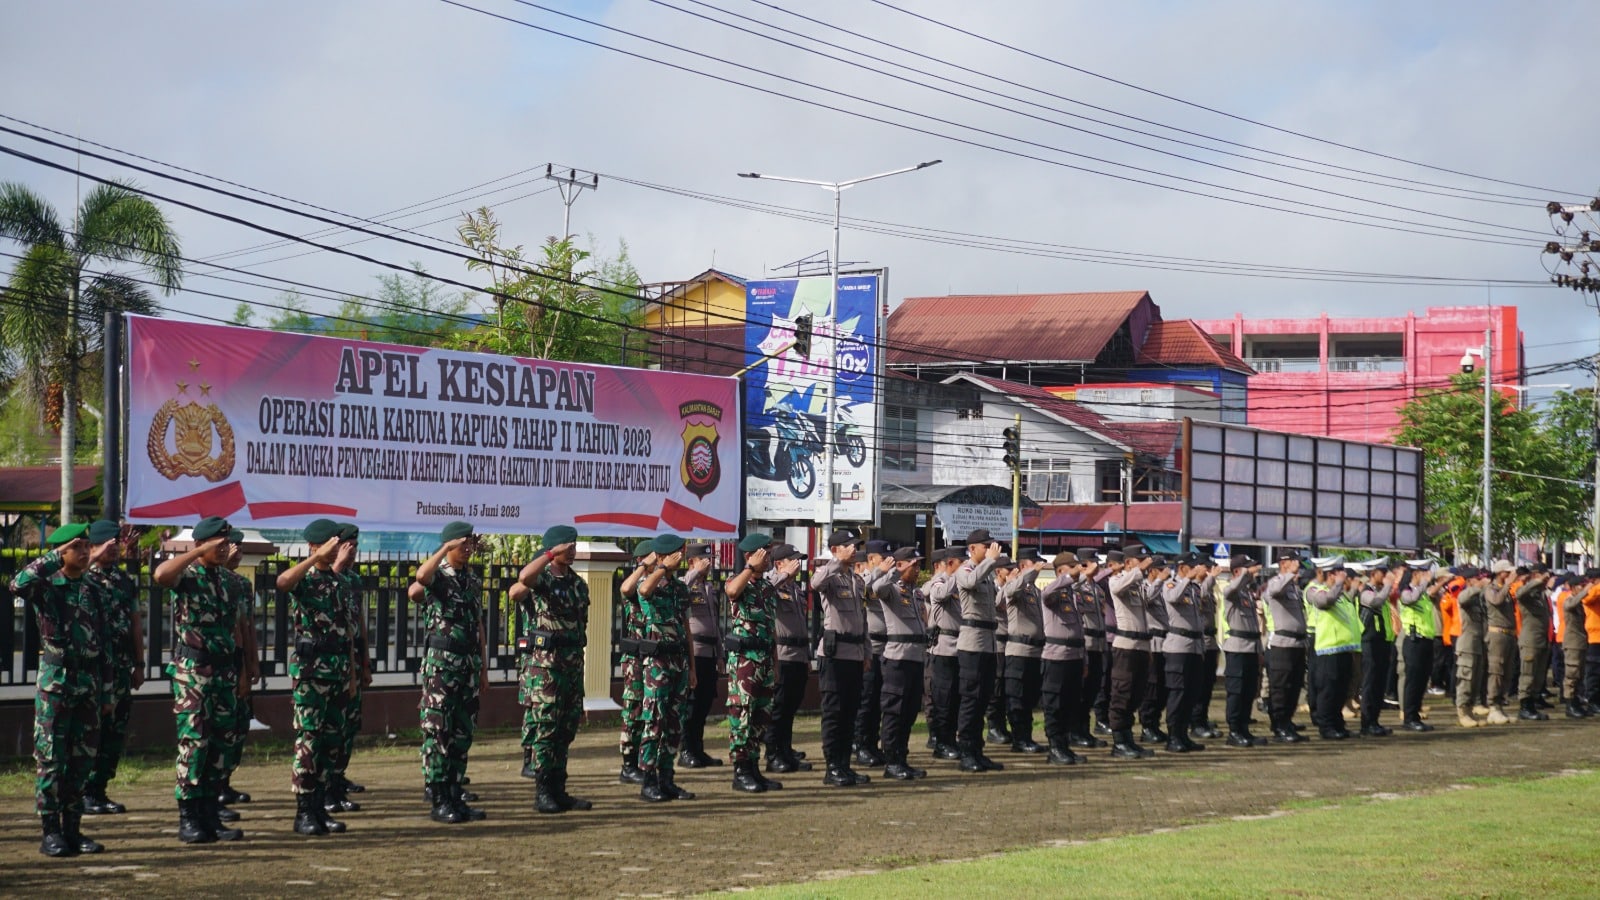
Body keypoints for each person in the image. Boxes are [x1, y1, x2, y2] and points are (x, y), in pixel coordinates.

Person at [14, 523, 111, 857]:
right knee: (52, 760)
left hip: (89, 683)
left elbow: (104, 640)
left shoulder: (93, 588)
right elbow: (17, 583)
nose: (85, 552)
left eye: (86, 546)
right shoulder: (46, 586)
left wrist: (107, 690)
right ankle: (51, 832)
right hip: (57, 682)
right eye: (77, 547)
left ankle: (73, 829)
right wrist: (53, 557)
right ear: (61, 552)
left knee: (82, 761)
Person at [153, 516, 244, 844]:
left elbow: (236, 627)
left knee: (220, 745)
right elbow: (160, 575)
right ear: (200, 544)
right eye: (217, 544)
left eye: (226, 543)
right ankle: (188, 817)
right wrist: (196, 552)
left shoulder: (230, 581)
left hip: (223, 673)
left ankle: (210, 814)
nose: (224, 548)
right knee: (195, 743)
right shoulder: (187, 575)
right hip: (193, 673)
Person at [276, 519, 355, 836]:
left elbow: (347, 633)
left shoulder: (340, 583)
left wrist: (351, 676)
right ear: (314, 546)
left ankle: (320, 807)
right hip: (311, 674)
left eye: (336, 543)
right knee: (309, 741)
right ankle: (304, 811)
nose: (335, 548)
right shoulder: (305, 579)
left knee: (331, 743)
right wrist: (314, 558)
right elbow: (283, 582)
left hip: (338, 672)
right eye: (329, 544)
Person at [413, 521, 489, 824]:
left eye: (470, 543)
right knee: (438, 732)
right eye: (462, 544)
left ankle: (456, 796)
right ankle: (439, 798)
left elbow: (478, 625)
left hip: (467, 666)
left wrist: (483, 668)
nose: (468, 549)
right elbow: (421, 577)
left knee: (462, 733)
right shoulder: (438, 577)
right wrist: (444, 547)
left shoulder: (472, 581)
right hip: (442, 668)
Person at [517, 524, 592, 813]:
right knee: (546, 729)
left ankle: (559, 790)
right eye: (567, 547)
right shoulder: (543, 580)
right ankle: (543, 791)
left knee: (566, 729)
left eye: (574, 546)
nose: (572, 551)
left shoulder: (578, 585)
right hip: (547, 668)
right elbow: (524, 578)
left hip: (572, 665)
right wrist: (548, 555)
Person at [82, 520, 143, 818]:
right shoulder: (82, 577)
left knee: (115, 730)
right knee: (90, 730)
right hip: (92, 668)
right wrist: (92, 557)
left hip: (119, 667)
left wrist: (139, 663)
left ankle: (98, 790)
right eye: (108, 543)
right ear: (93, 545)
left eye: (117, 543)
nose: (115, 548)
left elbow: (135, 622)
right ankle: (81, 791)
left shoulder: (124, 581)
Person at [636, 533, 697, 801]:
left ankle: (667, 778)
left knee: (674, 723)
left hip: (679, 661)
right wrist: (660, 567)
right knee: (654, 722)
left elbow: (686, 629)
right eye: (674, 553)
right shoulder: (649, 582)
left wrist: (692, 667)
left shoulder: (680, 589)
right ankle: (648, 780)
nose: (679, 557)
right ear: (662, 556)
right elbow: (643, 591)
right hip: (657, 664)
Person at [722, 534, 784, 792]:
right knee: (743, 714)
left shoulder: (766, 587)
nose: (768, 558)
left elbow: (771, 627)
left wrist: (775, 663)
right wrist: (749, 568)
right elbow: (732, 592)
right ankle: (741, 771)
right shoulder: (738, 581)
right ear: (750, 555)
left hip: (765, 659)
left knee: (761, 716)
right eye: (764, 553)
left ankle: (754, 767)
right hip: (745, 662)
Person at [812, 528, 873, 786]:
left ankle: (845, 765)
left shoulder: (856, 580)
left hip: (855, 653)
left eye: (855, 545)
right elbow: (815, 584)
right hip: (834, 655)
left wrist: (867, 652)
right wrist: (836, 561)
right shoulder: (828, 574)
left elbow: (863, 619)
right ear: (835, 550)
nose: (854, 549)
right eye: (849, 546)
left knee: (850, 713)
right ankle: (832, 767)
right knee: (834, 713)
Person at [867, 546, 930, 780]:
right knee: (895, 711)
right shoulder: (892, 589)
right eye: (914, 565)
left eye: (918, 565)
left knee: (910, 712)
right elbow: (876, 588)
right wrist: (894, 571)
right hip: (897, 659)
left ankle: (902, 758)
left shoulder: (916, 593)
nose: (917, 569)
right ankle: (892, 761)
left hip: (916, 657)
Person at [216, 530, 263, 824]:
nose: (236, 551)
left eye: (239, 547)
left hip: (238, 659)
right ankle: (215, 787)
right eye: (230, 545)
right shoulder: (210, 581)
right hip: (217, 662)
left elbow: (246, 625)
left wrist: (251, 662)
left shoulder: (241, 584)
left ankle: (225, 781)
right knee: (219, 728)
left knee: (238, 725)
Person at [955, 529, 1006, 772]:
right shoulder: (965, 570)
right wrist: (990, 562)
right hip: (972, 643)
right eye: (986, 546)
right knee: (971, 699)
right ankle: (966, 751)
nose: (990, 550)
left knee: (984, 698)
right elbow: (969, 582)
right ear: (972, 548)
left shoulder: (986, 575)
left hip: (988, 642)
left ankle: (977, 750)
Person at [328, 523, 369, 808]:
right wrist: (338, 566)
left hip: (351, 658)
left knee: (349, 722)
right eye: (347, 546)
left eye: (355, 546)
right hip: (327, 660)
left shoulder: (353, 580)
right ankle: (327, 782)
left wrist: (365, 662)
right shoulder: (319, 577)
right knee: (330, 726)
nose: (352, 551)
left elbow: (359, 620)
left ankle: (338, 775)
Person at [764, 543, 813, 774]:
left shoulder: (795, 589)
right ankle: (773, 754)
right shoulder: (771, 582)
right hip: (782, 656)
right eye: (792, 560)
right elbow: (762, 593)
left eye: (798, 560)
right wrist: (783, 576)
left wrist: (807, 658)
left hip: (798, 655)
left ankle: (786, 751)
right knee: (778, 708)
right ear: (778, 564)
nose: (797, 564)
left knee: (791, 708)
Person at [1159, 554, 1215, 752]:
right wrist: (1187, 579)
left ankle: (1183, 734)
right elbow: (1172, 598)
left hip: (1195, 646)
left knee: (1192, 692)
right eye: (1191, 566)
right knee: (1178, 693)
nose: (1195, 569)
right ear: (1182, 567)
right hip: (1178, 647)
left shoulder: (1194, 588)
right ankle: (1173, 736)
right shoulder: (1171, 584)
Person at [1106, 547, 1156, 759]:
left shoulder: (1138, 584)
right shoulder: (1117, 580)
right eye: (1140, 560)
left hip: (1141, 646)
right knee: (1122, 693)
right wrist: (1138, 570)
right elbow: (1117, 589)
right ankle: (1119, 742)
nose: (1145, 563)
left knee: (1136, 695)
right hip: (1125, 647)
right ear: (1128, 563)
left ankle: (1128, 739)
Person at [614, 539, 656, 784]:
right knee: (634, 708)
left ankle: (643, 760)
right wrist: (642, 566)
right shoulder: (637, 584)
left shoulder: (657, 585)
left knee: (650, 710)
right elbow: (626, 588)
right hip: (636, 660)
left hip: (655, 658)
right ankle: (628, 764)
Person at [1039, 551, 1087, 765]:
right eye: (1072, 567)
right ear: (1060, 571)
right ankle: (1055, 747)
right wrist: (1068, 577)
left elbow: (1079, 630)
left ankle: (1065, 745)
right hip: (1056, 657)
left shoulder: (1073, 594)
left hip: (1075, 655)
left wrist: (1084, 659)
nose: (1077, 571)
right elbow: (1046, 594)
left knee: (1070, 703)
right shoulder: (1054, 591)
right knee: (1055, 704)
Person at [1000, 548, 1047, 753]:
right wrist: (1027, 574)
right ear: (1022, 566)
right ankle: (1019, 739)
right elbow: (1009, 592)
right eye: (1033, 564)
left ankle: (1026, 737)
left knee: (1029, 697)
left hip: (1035, 651)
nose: (1038, 567)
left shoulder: (1034, 590)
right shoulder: (1014, 585)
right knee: (1017, 697)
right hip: (1018, 651)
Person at [680, 542, 722, 769]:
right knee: (691, 705)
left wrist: (720, 654)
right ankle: (686, 750)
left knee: (704, 704)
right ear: (691, 562)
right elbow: (680, 590)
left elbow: (715, 624)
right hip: (694, 652)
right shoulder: (684, 583)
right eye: (703, 560)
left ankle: (698, 748)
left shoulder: (709, 588)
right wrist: (695, 573)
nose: (708, 564)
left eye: (710, 560)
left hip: (710, 652)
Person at [1218, 554, 1267, 747]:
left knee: (1248, 691)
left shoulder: (1247, 593)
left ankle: (1244, 728)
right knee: (1236, 691)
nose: (1253, 572)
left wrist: (1259, 650)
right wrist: (1246, 573)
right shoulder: (1232, 590)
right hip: (1237, 647)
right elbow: (1231, 590)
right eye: (1247, 568)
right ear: (1237, 571)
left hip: (1251, 647)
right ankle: (1234, 731)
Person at [1306, 561, 1358, 740]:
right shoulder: (1317, 591)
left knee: (1340, 690)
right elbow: (1324, 602)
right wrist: (1338, 584)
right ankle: (1326, 727)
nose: (1344, 576)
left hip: (1343, 648)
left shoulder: (1340, 595)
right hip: (1328, 649)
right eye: (1339, 573)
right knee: (1328, 690)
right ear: (1330, 575)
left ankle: (1338, 724)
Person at [1262, 551, 1310, 743]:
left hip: (1297, 643)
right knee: (1281, 688)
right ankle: (1279, 725)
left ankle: (1287, 722)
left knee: (1294, 686)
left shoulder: (1293, 587)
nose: (1298, 566)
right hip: (1282, 644)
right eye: (1294, 562)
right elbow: (1274, 592)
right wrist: (1290, 574)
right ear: (1284, 564)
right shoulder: (1276, 582)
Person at [923, 547, 963, 761]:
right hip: (942, 648)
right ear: (950, 564)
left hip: (959, 647)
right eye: (961, 563)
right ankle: (941, 742)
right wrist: (956, 576)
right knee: (942, 699)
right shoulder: (939, 583)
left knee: (955, 698)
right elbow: (937, 593)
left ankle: (951, 740)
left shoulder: (957, 585)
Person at [855, 539, 891, 768]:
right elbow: (861, 587)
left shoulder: (885, 578)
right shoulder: (863, 577)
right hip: (869, 648)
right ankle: (860, 745)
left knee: (878, 701)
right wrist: (879, 572)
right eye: (883, 558)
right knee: (866, 701)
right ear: (871, 559)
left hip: (886, 648)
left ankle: (871, 744)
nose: (887, 562)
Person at [1398, 561, 1445, 733]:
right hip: (1414, 641)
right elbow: (1410, 599)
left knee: (1421, 681)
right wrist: (1424, 582)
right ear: (1415, 574)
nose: (1427, 576)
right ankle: (1409, 718)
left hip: (1426, 640)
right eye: (1423, 573)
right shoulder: (1407, 591)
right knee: (1413, 681)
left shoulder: (1422, 593)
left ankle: (1415, 715)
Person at [1070, 548, 1109, 750]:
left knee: (1093, 690)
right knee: (1081, 692)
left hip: (1099, 644)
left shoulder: (1097, 589)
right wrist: (1082, 574)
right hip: (1085, 644)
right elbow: (1070, 588)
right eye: (1092, 563)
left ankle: (1084, 730)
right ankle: (1075, 731)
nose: (1097, 566)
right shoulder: (1076, 585)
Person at [1357, 564, 1402, 737]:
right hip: (1369, 642)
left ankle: (1374, 721)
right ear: (1373, 574)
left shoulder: (1380, 591)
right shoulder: (1366, 591)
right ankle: (1367, 723)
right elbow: (1375, 602)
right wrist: (1389, 586)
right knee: (1370, 683)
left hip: (1382, 641)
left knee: (1379, 684)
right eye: (1382, 574)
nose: (1385, 577)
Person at [1138, 554, 1173, 745]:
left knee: (1162, 688)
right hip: (1152, 642)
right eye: (1160, 570)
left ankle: (1155, 724)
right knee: (1151, 687)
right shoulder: (1144, 587)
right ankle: (1147, 726)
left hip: (1165, 641)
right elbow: (1146, 599)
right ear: (1151, 571)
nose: (1164, 573)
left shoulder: (1162, 589)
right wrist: (1159, 581)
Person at [1515, 566, 1553, 721]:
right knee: (1528, 674)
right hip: (1530, 640)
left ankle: (1534, 702)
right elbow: (1519, 594)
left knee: (1538, 674)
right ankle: (1525, 706)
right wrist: (1537, 581)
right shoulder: (1527, 593)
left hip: (1541, 640)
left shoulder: (1540, 595)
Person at [1454, 567, 1490, 728]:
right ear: (1469, 581)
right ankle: (1462, 712)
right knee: (1466, 680)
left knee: (1475, 681)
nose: (1481, 580)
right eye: (1477, 578)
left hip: (1478, 644)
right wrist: (1478, 587)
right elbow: (1462, 599)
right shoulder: (1466, 595)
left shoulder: (1478, 599)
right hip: (1467, 645)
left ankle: (1469, 711)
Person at [1483, 562, 1517, 724]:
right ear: (1500, 573)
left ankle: (1500, 705)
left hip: (1509, 634)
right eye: (1507, 572)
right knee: (1496, 670)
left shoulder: (1506, 590)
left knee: (1507, 672)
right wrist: (1508, 585)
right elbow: (1496, 601)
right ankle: (1493, 706)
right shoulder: (1491, 589)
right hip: (1497, 634)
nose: (1510, 575)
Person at [1559, 573, 1591, 717]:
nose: (1583, 588)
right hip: (1572, 643)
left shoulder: (1579, 603)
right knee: (1571, 674)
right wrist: (1586, 591)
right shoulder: (1569, 600)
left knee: (1579, 674)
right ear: (1572, 588)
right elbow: (1571, 604)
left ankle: (1576, 702)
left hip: (1580, 642)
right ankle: (1570, 703)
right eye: (1580, 586)